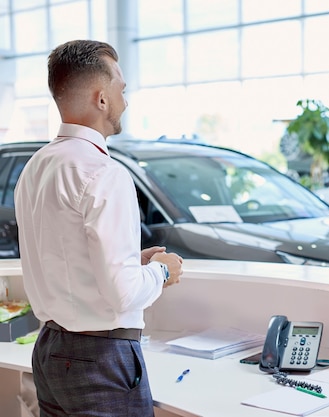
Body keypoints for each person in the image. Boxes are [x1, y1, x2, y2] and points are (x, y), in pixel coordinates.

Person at [14, 40, 183, 416]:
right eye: (121, 88)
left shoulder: (35, 168)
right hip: (100, 359)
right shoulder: (104, 173)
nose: (126, 98)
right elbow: (122, 295)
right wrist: (162, 271)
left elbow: (61, 256)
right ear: (101, 98)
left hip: (50, 351)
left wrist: (130, 260)